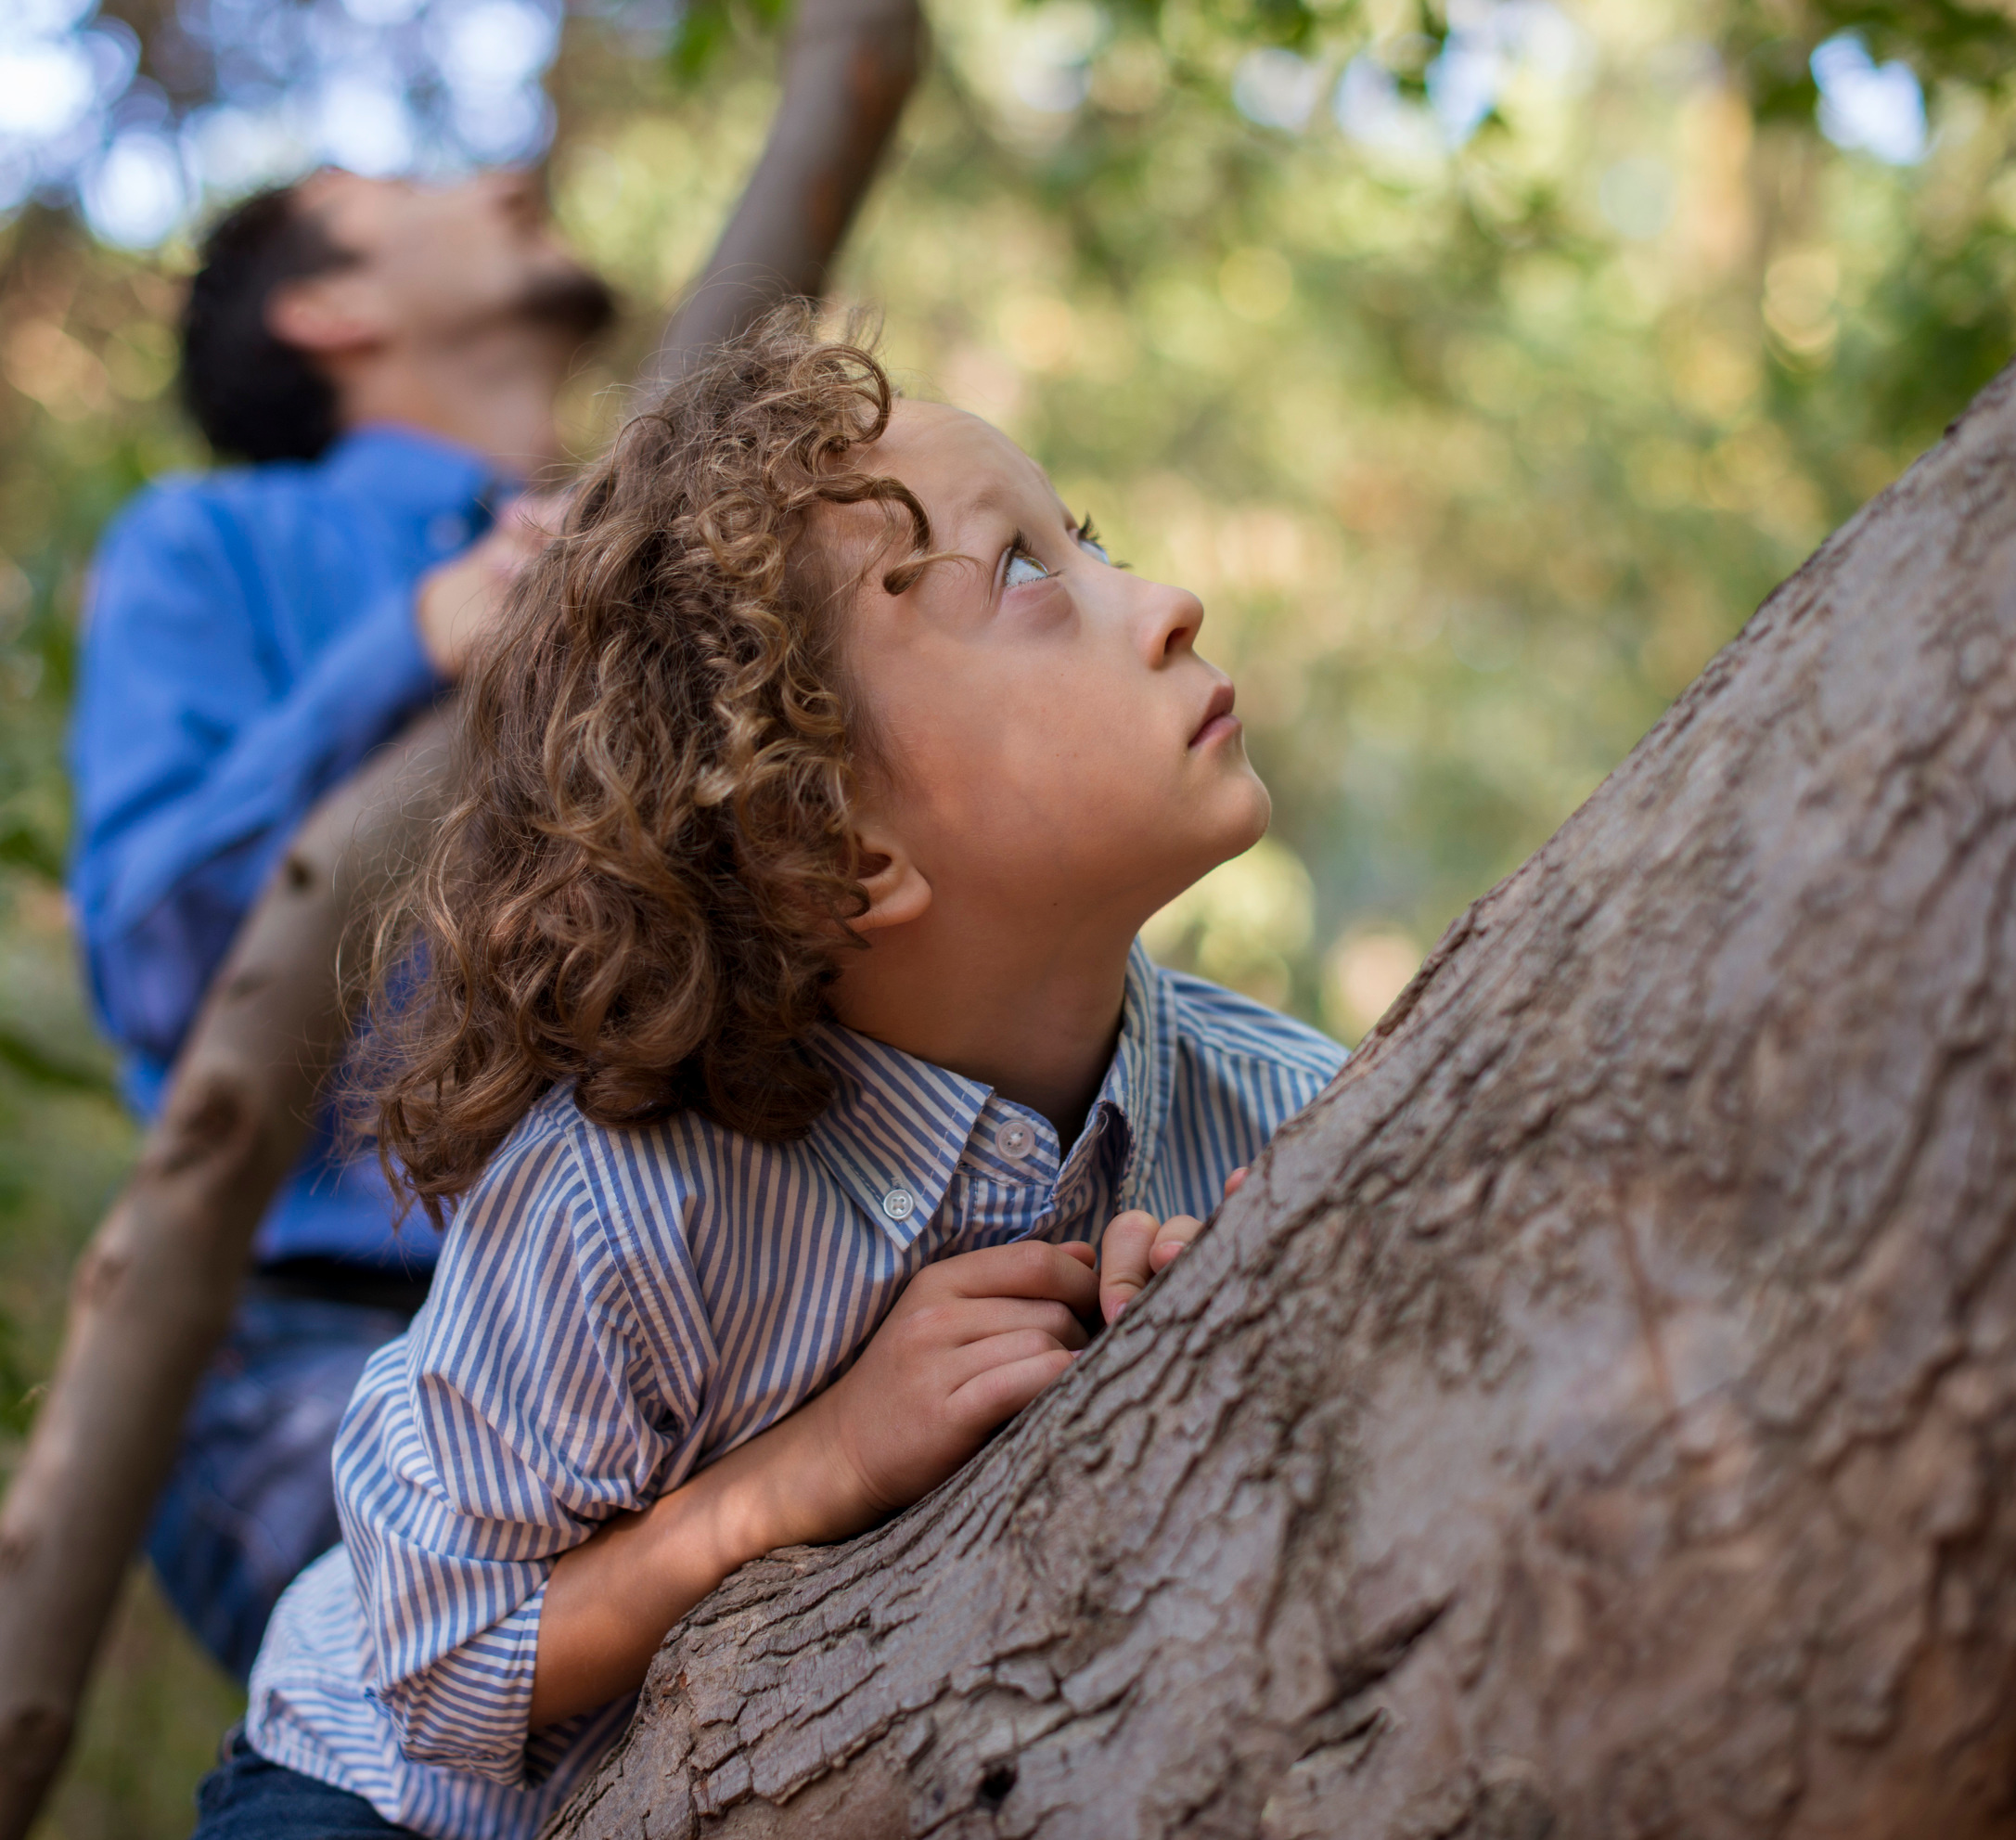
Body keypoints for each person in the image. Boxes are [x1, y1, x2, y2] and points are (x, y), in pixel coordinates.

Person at [191, 309, 1348, 1839]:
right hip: (375, 1804)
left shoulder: (1283, 1107)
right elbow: (440, 1659)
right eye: (1022, 579)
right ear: (840, 849)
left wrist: (1222, 1294)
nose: (1171, 603)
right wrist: (821, 1461)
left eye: (1089, 545)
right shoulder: (621, 1193)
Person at [67, 166, 616, 1679]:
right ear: (329, 307)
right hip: (307, 1346)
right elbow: (157, 960)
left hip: (674, 1307)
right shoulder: (205, 545)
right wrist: (417, 644)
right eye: (406, 188)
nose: (510, 175)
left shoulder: (654, 552)